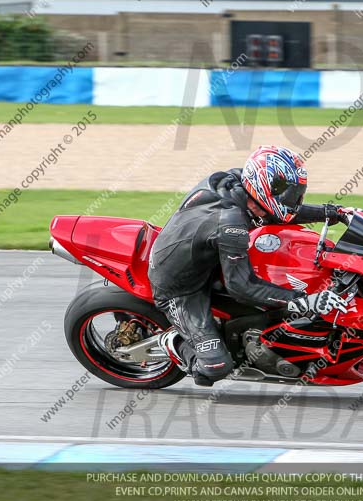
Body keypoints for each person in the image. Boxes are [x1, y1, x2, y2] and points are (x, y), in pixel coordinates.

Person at [148, 145, 349, 386]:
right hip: (180, 288)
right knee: (214, 368)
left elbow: (279, 210)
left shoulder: (238, 182)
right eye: (288, 192)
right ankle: (173, 342)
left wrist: (333, 213)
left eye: (296, 192)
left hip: (202, 255)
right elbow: (241, 286)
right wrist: (304, 300)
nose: (294, 198)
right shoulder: (231, 225)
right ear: (265, 187)